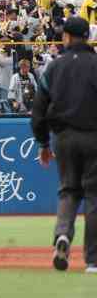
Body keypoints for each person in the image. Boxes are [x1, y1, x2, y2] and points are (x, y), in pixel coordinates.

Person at [31, 16, 97, 273]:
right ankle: (93, 260)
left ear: (67, 37)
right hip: (94, 137)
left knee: (68, 191)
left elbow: (38, 111)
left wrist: (43, 143)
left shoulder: (54, 68)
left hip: (65, 138)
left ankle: (62, 235)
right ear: (88, 38)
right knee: (94, 196)